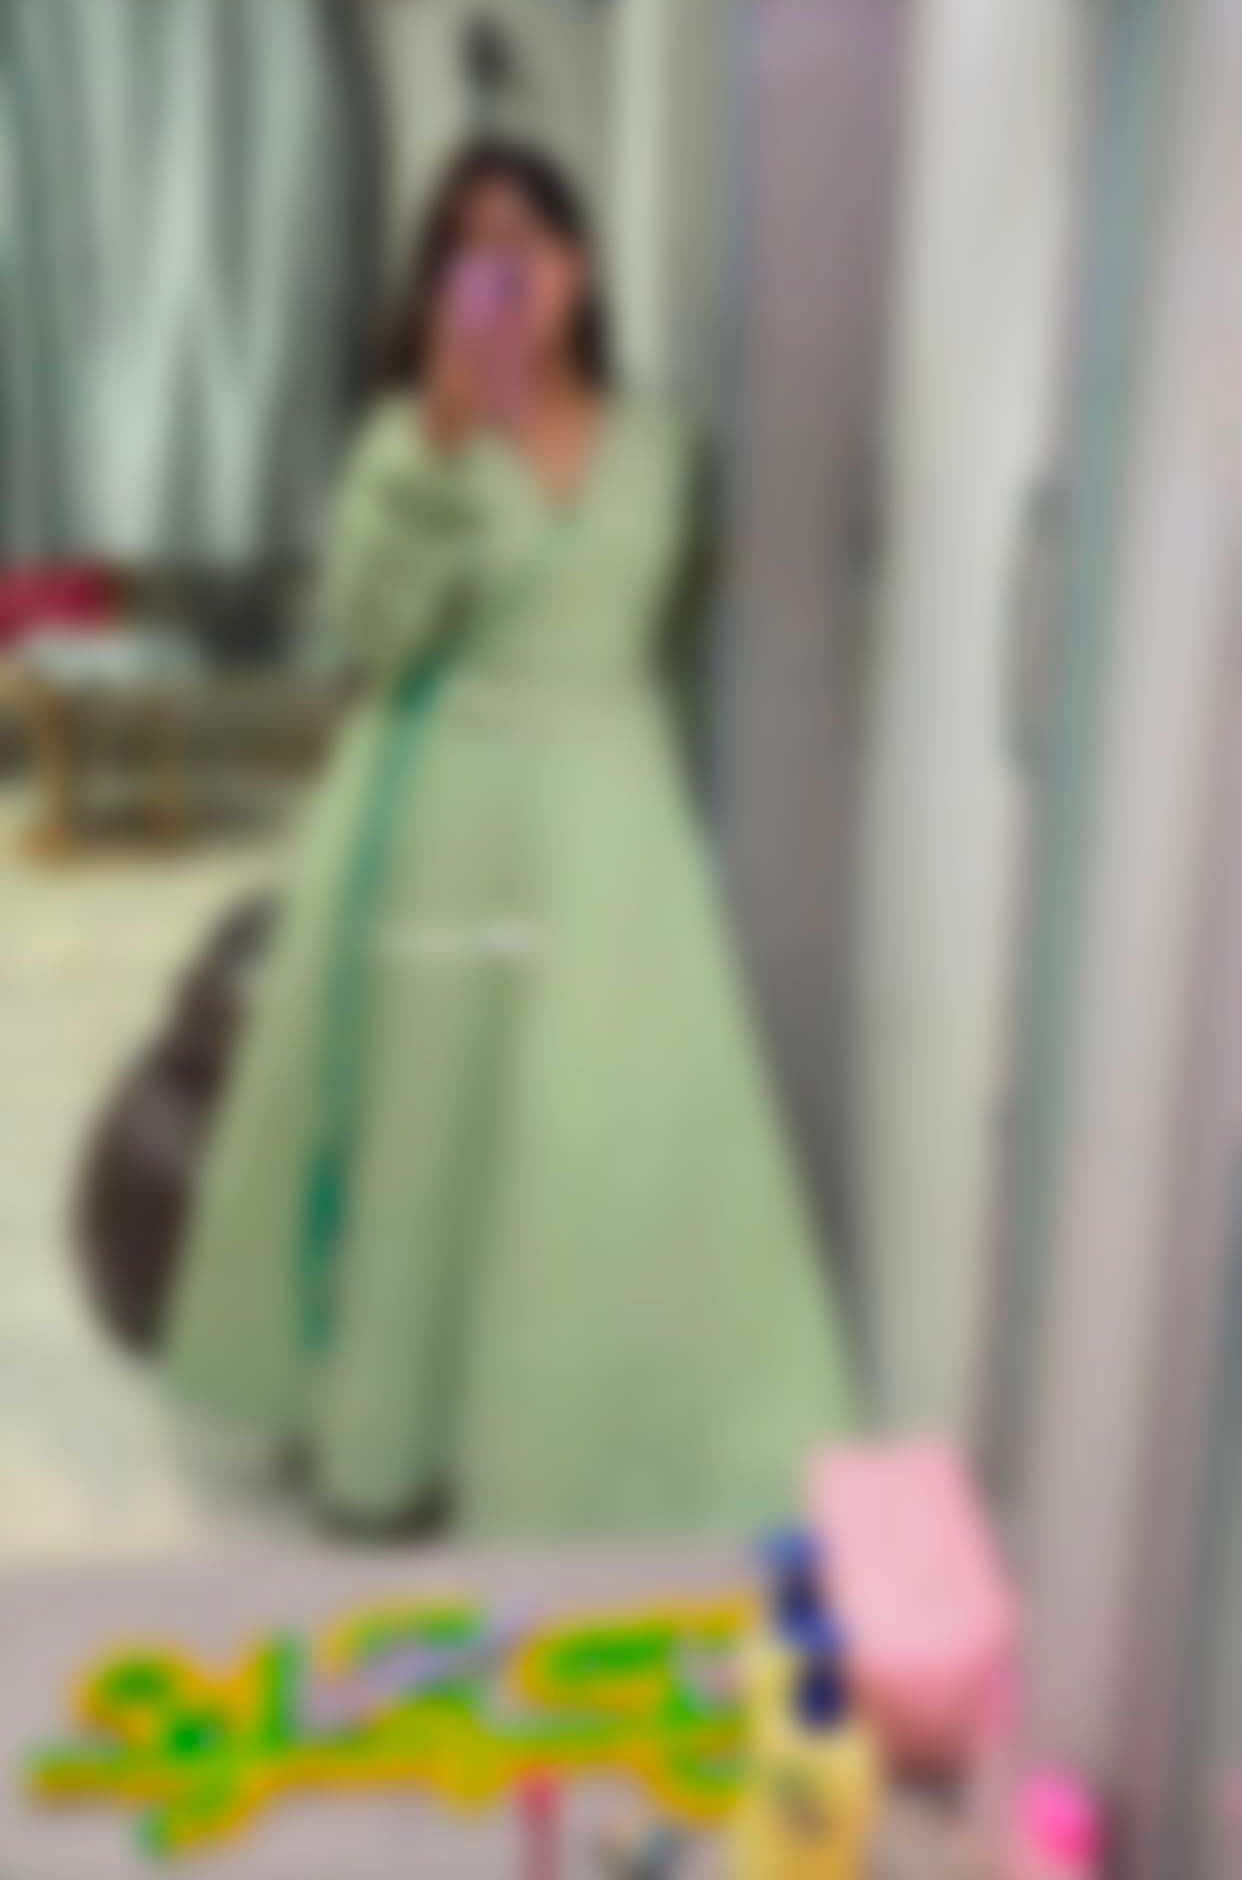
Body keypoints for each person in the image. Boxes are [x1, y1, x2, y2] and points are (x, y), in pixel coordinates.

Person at [164, 139, 855, 1537]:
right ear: (436, 286)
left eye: (525, 240)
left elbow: (669, 640)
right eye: (464, 248)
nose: (498, 271)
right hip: (447, 820)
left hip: (612, 831)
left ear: (579, 265)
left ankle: (599, 1441)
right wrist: (433, 443)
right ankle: (389, 1436)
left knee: (607, 1130)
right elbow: (368, 636)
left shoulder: (665, 450)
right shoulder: (406, 442)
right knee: (431, 1131)